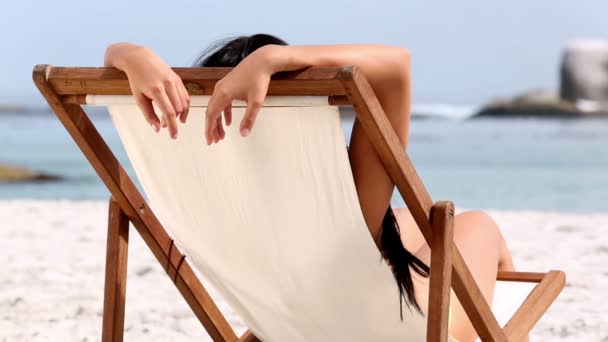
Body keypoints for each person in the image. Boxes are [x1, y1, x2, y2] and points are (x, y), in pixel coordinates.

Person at [104, 34, 516, 342]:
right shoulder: (340, 201)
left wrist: (130, 55)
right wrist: (277, 58)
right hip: (410, 330)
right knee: (478, 225)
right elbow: (396, 65)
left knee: (404, 223)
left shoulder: (198, 189)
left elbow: (115, 59)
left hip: (287, 317)